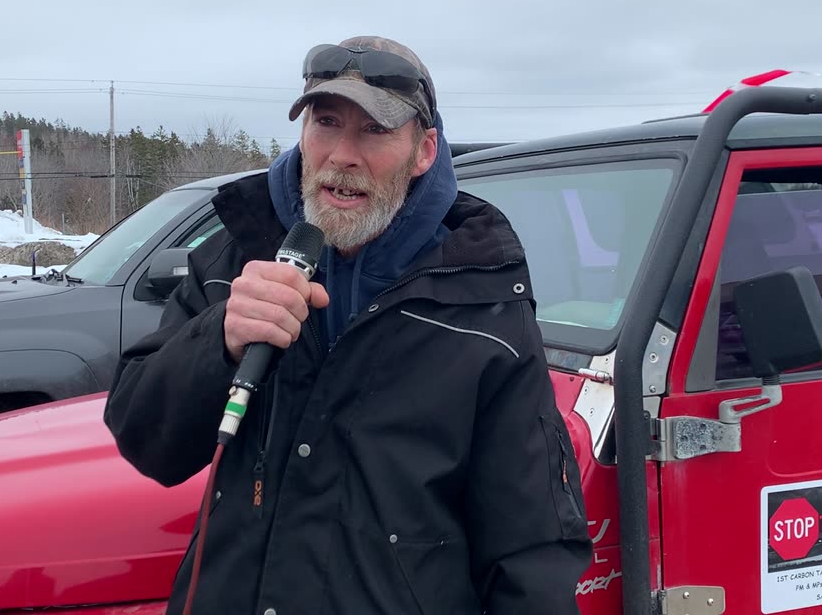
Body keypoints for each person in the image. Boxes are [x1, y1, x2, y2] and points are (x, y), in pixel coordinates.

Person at [103, 35, 593, 614]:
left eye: (375, 131)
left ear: (425, 150)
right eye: (327, 122)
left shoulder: (479, 299)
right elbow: (143, 440)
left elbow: (530, 542)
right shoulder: (233, 259)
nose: (342, 155)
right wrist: (220, 340)